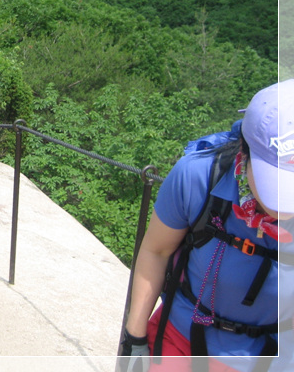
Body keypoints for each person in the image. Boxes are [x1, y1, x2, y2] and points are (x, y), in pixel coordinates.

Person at [120, 79, 294, 372]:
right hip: (180, 342)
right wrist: (134, 339)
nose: (281, 207)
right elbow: (156, 251)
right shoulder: (199, 177)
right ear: (244, 150)